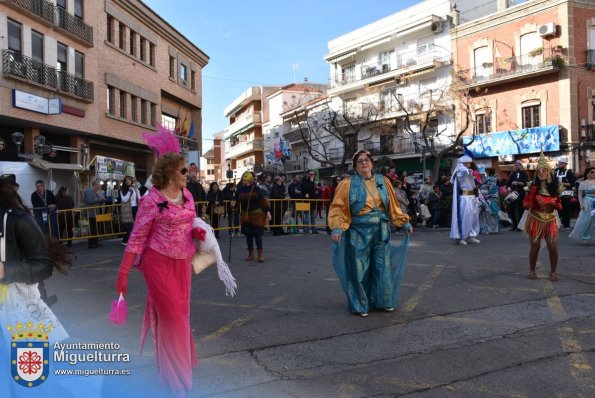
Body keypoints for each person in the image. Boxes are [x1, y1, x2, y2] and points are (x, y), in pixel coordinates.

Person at [115, 137, 198, 397]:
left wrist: (200, 232)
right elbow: (137, 237)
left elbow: (191, 222)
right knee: (172, 318)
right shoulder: (151, 200)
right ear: (170, 173)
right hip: (158, 264)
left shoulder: (188, 194)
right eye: (184, 170)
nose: (188, 174)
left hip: (183, 263)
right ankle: (176, 381)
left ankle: (176, 368)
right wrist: (123, 273)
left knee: (180, 318)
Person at [0, 178, 73, 393]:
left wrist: (6, 270)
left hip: (18, 311)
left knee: (32, 383)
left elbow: (44, 265)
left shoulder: (16, 220)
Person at [329, 150, 413, 317]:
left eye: (366, 160)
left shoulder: (384, 181)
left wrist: (404, 222)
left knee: (383, 267)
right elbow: (339, 206)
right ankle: (360, 304)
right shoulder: (347, 184)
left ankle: (383, 301)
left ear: (372, 163)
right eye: (359, 161)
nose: (364, 163)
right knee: (359, 269)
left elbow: (393, 206)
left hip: (381, 230)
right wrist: (337, 227)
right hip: (358, 232)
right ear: (355, 167)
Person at [523, 152, 562, 282]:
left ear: (548, 171)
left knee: (553, 246)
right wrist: (528, 202)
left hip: (550, 219)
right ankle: (532, 270)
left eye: (543, 170)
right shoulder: (532, 187)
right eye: (538, 171)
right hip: (535, 218)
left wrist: (557, 204)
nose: (541, 173)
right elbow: (526, 203)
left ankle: (554, 272)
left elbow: (559, 203)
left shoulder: (555, 188)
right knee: (535, 245)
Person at [233, 171, 271, 262]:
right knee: (248, 235)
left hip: (257, 215)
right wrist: (234, 207)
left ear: (249, 180)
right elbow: (237, 202)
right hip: (246, 216)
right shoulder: (240, 190)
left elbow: (263, 201)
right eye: (243, 179)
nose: (243, 181)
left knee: (257, 235)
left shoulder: (256, 189)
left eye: (245, 179)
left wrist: (268, 211)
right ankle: (250, 254)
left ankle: (260, 255)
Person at [450, 154, 481, 245]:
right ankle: (461, 236)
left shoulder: (469, 171)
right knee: (465, 217)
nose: (470, 164)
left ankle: (470, 235)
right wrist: (466, 166)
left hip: (472, 197)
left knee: (473, 217)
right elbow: (462, 170)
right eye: (468, 163)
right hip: (465, 197)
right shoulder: (460, 169)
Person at [569, 166, 595, 245]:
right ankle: (585, 237)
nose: (594, 174)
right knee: (586, 221)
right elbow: (580, 195)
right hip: (587, 203)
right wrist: (581, 204)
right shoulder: (582, 183)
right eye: (592, 172)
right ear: (587, 173)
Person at [506, 160, 529, 232]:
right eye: (515, 165)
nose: (516, 166)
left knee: (520, 209)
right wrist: (508, 186)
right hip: (513, 193)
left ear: (521, 166)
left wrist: (517, 183)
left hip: (521, 193)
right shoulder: (512, 173)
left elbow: (525, 183)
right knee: (511, 209)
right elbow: (508, 183)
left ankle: (520, 226)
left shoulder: (524, 173)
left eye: (518, 165)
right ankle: (514, 225)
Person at [554, 156, 576, 230]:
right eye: (559, 163)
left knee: (566, 208)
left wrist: (562, 184)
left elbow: (572, 184)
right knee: (557, 208)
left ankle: (567, 225)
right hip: (557, 193)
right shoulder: (556, 171)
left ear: (565, 164)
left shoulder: (569, 172)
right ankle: (559, 222)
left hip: (566, 193)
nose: (559, 164)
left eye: (561, 163)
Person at [83, 180, 104, 249]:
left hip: (94, 213)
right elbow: (89, 201)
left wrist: (100, 201)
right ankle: (92, 243)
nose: (99, 187)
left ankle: (94, 242)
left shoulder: (93, 192)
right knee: (93, 229)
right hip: (91, 213)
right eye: (99, 186)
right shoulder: (89, 191)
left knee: (95, 228)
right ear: (95, 185)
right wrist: (99, 200)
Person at [479, 168, 501, 234]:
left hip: (488, 198)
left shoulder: (490, 180)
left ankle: (491, 229)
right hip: (481, 198)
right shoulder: (479, 180)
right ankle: (483, 228)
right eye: (481, 174)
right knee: (482, 214)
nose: (482, 175)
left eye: (483, 173)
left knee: (489, 213)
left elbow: (493, 190)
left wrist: (488, 196)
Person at [118, 176, 137, 245]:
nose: (128, 181)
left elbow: (137, 197)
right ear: (124, 181)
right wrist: (129, 191)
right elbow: (124, 199)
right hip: (128, 208)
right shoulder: (122, 189)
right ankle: (130, 241)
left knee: (134, 225)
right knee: (130, 225)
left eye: (129, 180)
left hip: (135, 207)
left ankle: (125, 240)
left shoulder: (134, 188)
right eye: (126, 180)